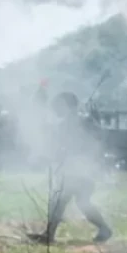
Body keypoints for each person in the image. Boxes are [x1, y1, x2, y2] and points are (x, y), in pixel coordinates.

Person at [27, 92, 112, 244]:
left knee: (60, 201)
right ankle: (104, 229)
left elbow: (97, 139)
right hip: (75, 169)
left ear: (66, 105)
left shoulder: (83, 121)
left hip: (82, 169)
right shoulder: (70, 123)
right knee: (78, 202)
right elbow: (61, 149)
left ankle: (49, 235)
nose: (55, 109)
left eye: (58, 105)